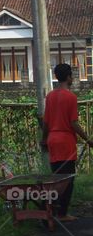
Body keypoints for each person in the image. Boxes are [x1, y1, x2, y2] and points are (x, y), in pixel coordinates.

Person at [41, 63, 93, 221]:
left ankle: (52, 209)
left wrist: (44, 139)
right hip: (65, 141)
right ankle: (62, 213)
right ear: (69, 77)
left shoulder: (50, 96)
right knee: (67, 179)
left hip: (52, 140)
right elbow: (73, 123)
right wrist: (88, 138)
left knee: (56, 177)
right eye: (72, 75)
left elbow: (46, 122)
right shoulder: (71, 97)